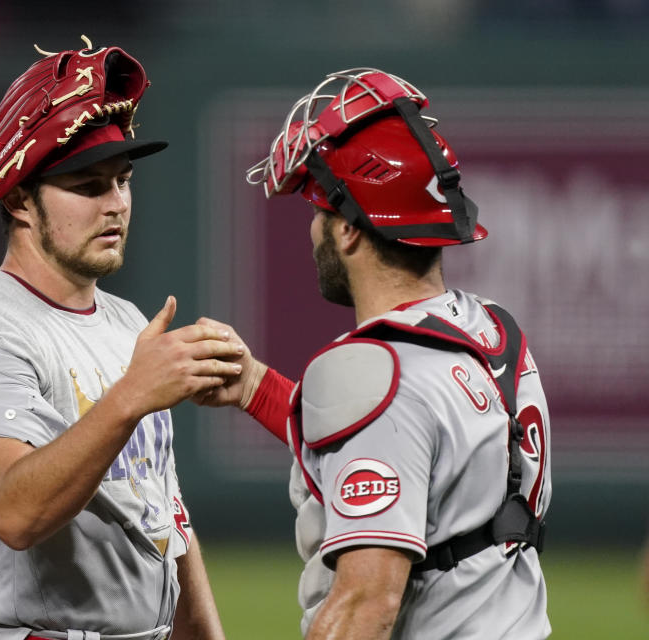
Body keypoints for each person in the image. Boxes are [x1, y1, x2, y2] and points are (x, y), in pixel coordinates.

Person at [196, 68, 552, 639]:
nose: (314, 230)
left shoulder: (376, 372)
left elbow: (367, 605)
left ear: (350, 231)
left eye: (319, 213)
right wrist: (257, 389)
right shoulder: (492, 330)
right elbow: (408, 450)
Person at [0, 37, 236, 640]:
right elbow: (15, 511)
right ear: (18, 198)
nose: (115, 205)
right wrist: (129, 397)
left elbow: (163, 511)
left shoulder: (123, 322)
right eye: (88, 187)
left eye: (123, 181)